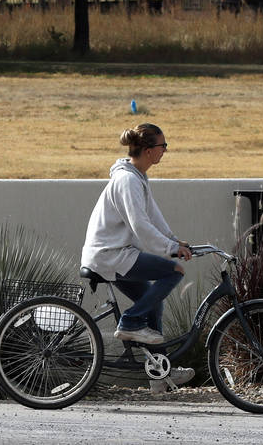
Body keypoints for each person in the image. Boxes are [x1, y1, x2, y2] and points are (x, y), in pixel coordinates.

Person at [80, 122, 194, 391]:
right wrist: (170, 250)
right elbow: (140, 225)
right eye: (161, 146)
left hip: (116, 253)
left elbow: (153, 216)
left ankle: (159, 376)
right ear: (147, 150)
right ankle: (130, 322)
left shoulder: (137, 176)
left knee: (153, 303)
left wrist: (174, 240)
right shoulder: (127, 180)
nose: (165, 150)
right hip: (110, 255)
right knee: (173, 271)